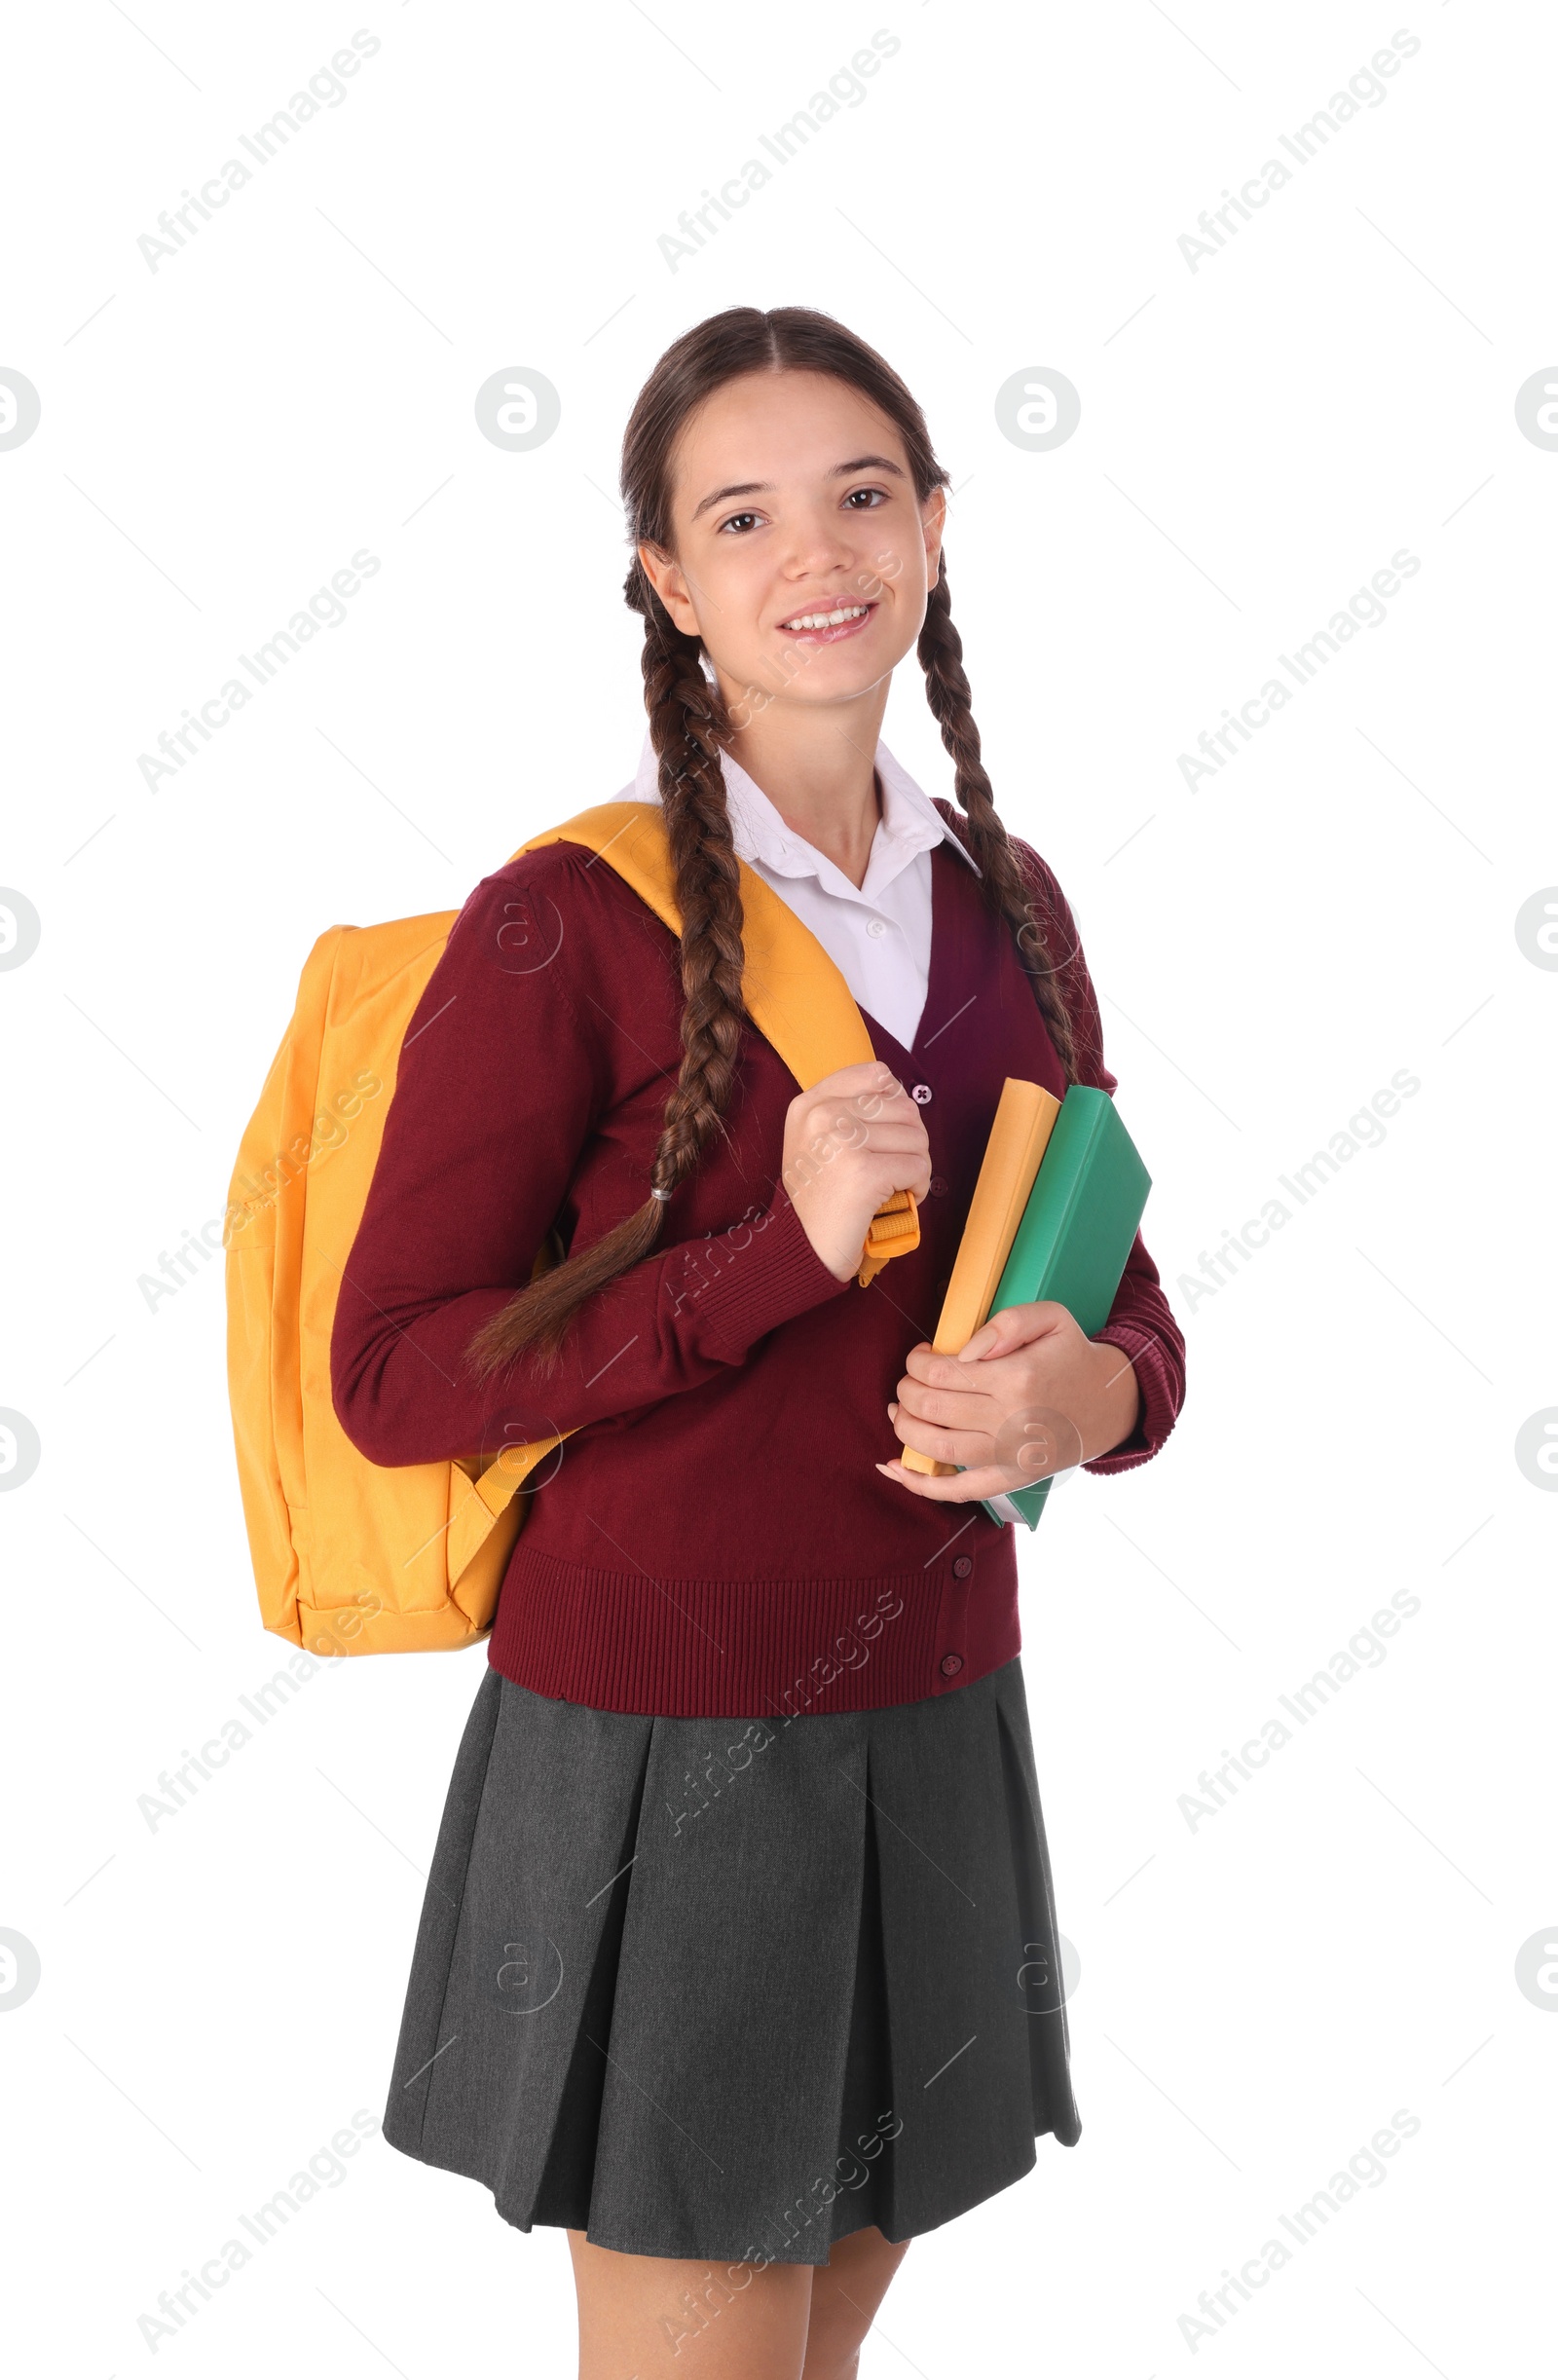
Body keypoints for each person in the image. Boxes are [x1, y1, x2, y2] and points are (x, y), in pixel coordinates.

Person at [331, 305, 1186, 2380]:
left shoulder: (1009, 898)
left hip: (935, 1705)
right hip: (669, 1747)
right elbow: (400, 1372)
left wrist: (1102, 1394)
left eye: (860, 493)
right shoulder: (563, 920)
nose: (815, 552)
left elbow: (1118, 1290)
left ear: (932, 527)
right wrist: (766, 1261)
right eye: (741, 515)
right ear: (666, 579)